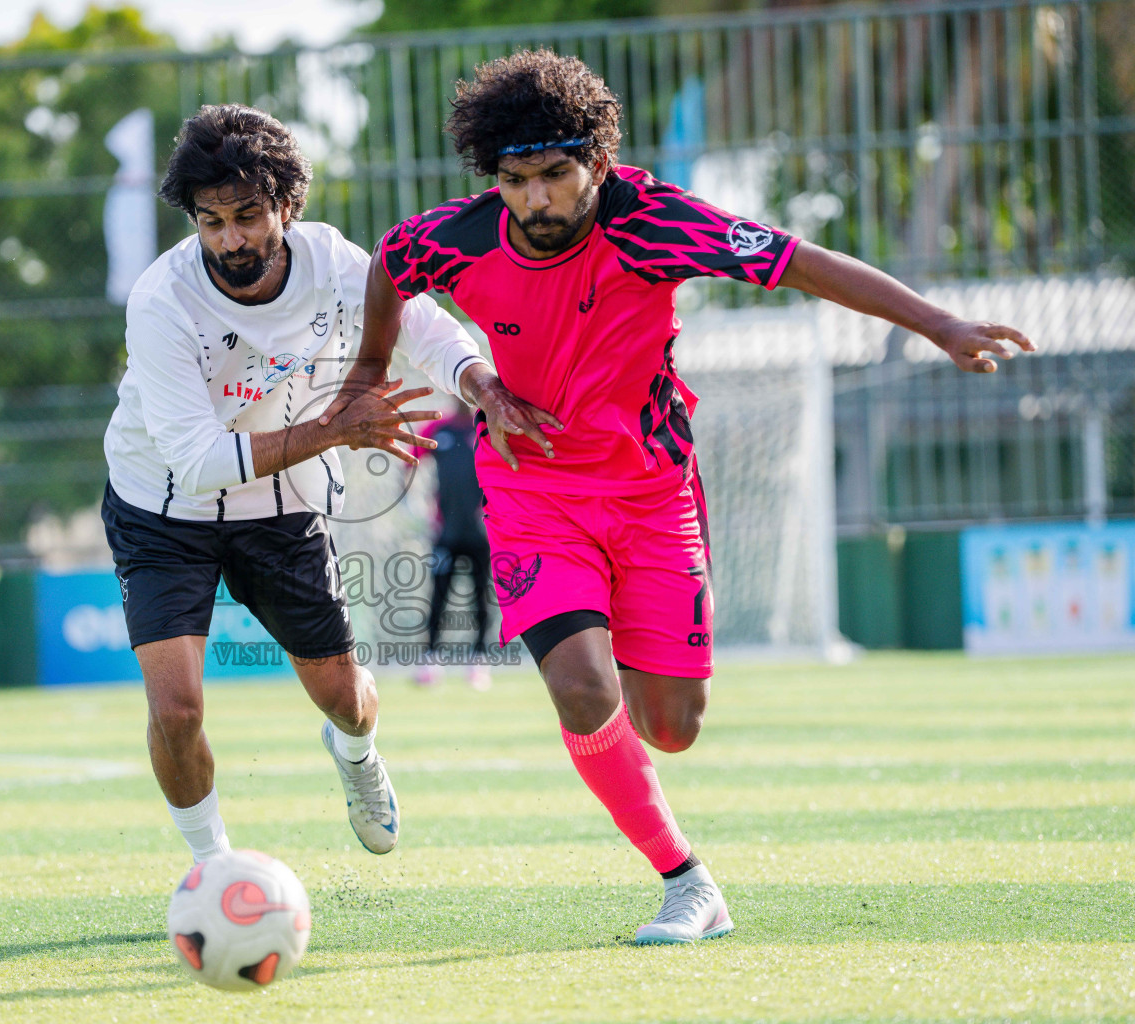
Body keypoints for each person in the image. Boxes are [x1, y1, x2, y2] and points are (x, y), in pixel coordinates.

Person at [324, 50, 1034, 943]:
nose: (536, 198)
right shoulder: (454, 236)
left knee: (672, 727)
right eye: (516, 180)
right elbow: (390, 267)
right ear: (492, 177)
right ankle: (686, 880)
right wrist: (367, 373)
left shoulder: (654, 221)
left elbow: (802, 262)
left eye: (556, 174)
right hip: (532, 488)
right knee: (581, 688)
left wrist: (939, 323)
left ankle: (607, 633)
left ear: (598, 160)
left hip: (652, 493)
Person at [101, 104, 492, 863]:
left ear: (285, 203)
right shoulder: (160, 301)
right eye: (211, 221)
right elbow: (198, 462)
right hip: (160, 505)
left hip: (279, 505)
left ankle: (357, 758)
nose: (230, 239)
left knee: (346, 702)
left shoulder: (335, 263)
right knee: (177, 709)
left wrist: (482, 384)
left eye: (247, 216)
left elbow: (427, 328)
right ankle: (215, 873)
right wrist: (335, 431)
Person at [411, 400, 493, 691]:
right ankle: (430, 663)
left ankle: (479, 663)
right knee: (439, 596)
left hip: (481, 534)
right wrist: (416, 508)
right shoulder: (438, 429)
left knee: (481, 597)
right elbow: (410, 463)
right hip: (446, 533)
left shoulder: (486, 428)